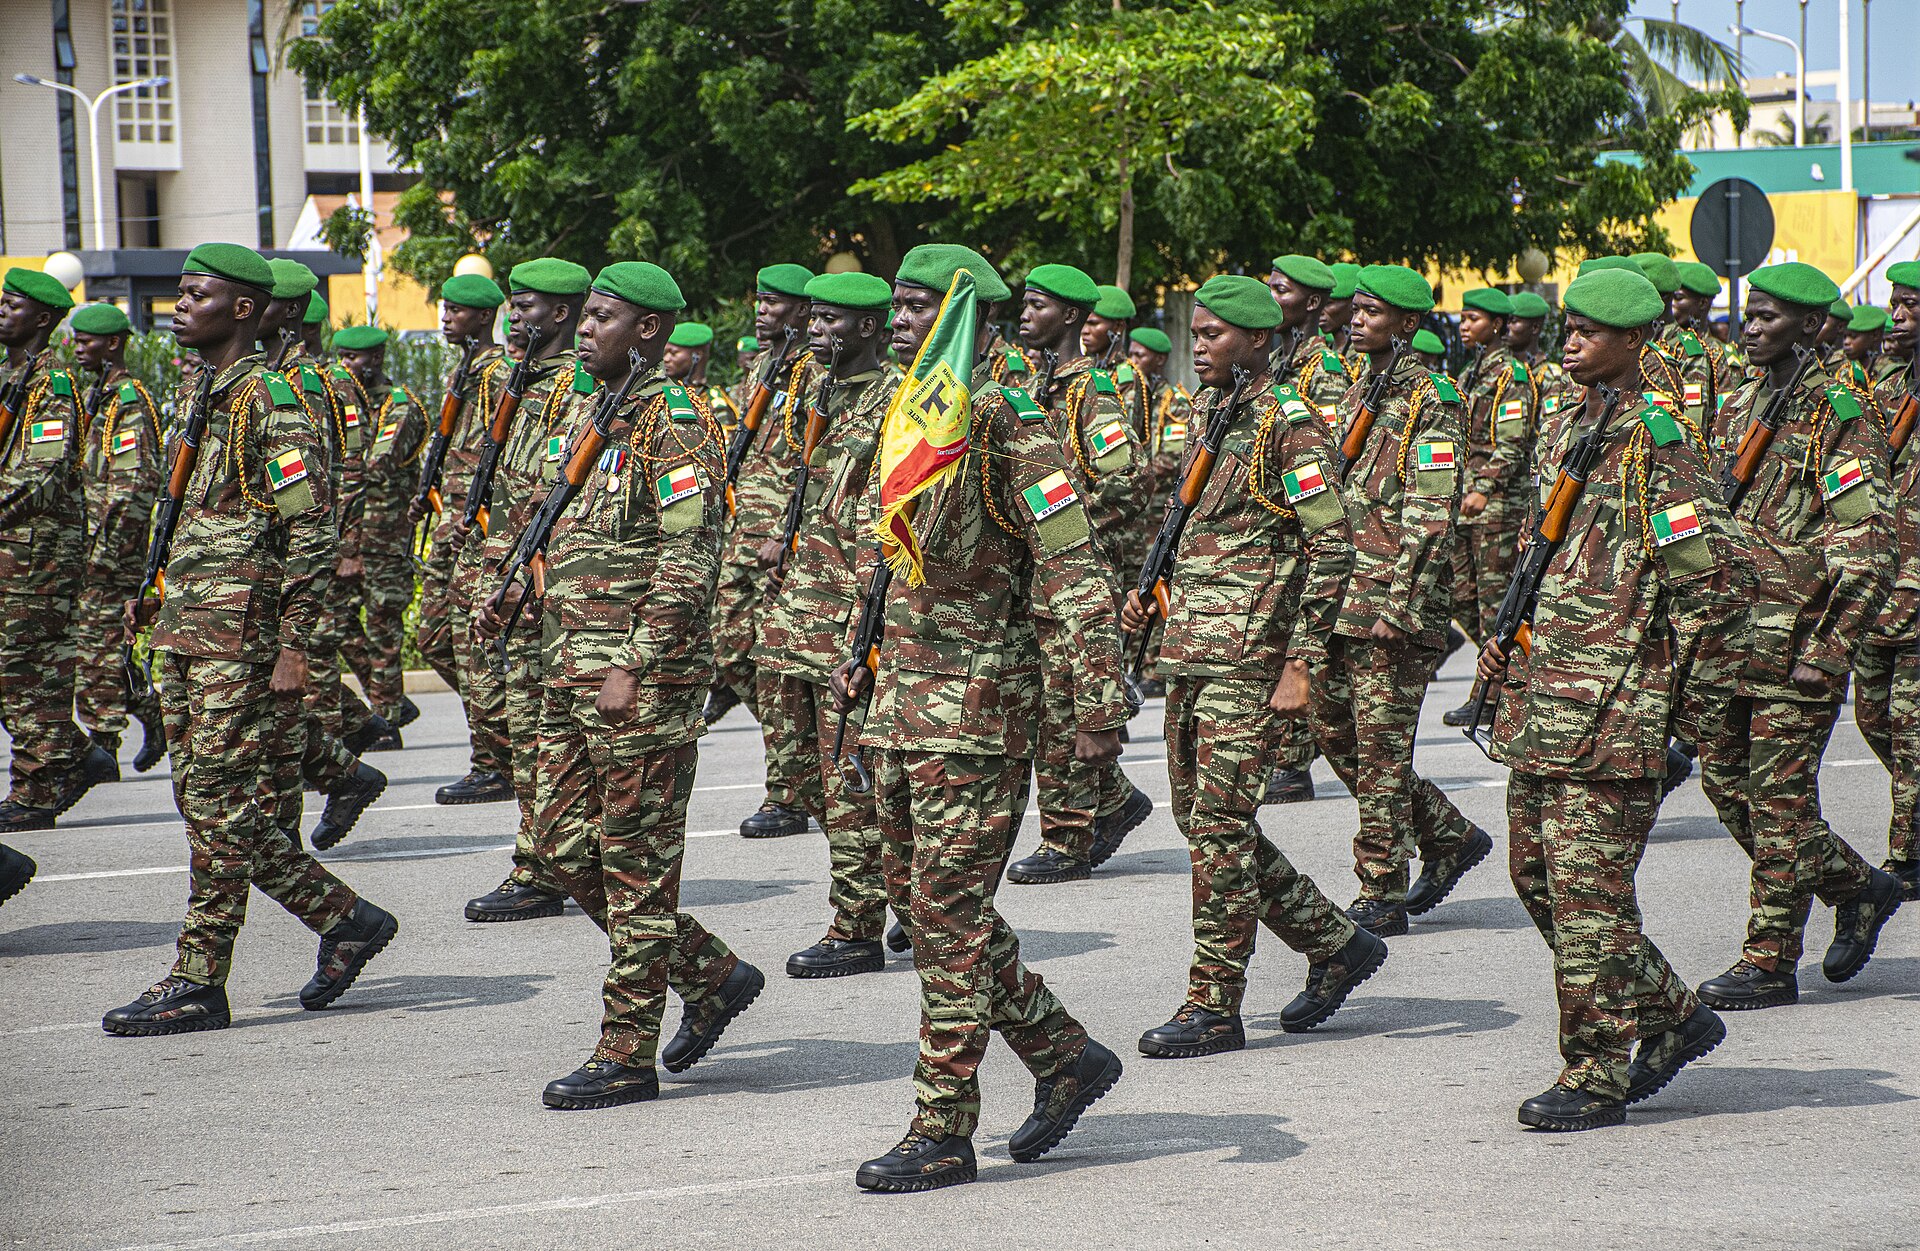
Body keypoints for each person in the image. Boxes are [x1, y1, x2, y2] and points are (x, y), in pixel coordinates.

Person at [832, 244, 1125, 1193]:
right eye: (900, 306)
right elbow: (886, 554)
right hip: (902, 702)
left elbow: (1074, 563)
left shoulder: (1007, 417)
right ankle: (1064, 1050)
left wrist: (1097, 702)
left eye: (922, 308)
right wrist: (854, 653)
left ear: (971, 320)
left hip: (979, 711)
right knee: (924, 907)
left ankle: (942, 1126)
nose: (904, 321)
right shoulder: (914, 409)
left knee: (949, 914)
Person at [477, 260, 764, 1109]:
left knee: (637, 867)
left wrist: (634, 659)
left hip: (640, 682)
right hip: (569, 664)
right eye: (588, 315)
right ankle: (709, 972)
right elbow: (559, 518)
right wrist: (516, 584)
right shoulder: (584, 408)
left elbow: (690, 553)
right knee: (564, 850)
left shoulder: (675, 422)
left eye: (603, 317)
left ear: (647, 331)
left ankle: (626, 1051)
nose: (586, 329)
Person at [106, 243, 396, 1035]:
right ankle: (342, 918)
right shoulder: (206, 393)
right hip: (190, 629)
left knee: (219, 806)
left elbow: (310, 526)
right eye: (180, 293)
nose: (179, 306)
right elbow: (192, 517)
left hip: (244, 638)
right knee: (203, 802)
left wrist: (297, 644)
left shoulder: (270, 400)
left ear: (240, 309)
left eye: (196, 295)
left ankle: (202, 974)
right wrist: (150, 592)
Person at [1479, 266, 1738, 1132]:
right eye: (1570, 327)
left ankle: (1594, 1069)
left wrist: (1676, 710)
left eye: (1592, 329)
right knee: (1534, 876)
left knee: (1591, 895)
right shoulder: (1572, 425)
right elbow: (1541, 555)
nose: (1573, 339)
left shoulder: (1660, 438)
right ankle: (1669, 1008)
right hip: (1542, 691)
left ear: (1635, 341)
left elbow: (1706, 585)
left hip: (1614, 703)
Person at [1124, 274, 1386, 1059]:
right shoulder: (1212, 411)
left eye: (1212, 335)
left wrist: (1302, 661)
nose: (1197, 346)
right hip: (1193, 648)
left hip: (1250, 654)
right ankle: (1334, 942)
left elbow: (1333, 544)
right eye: (1194, 334)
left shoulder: (1289, 424)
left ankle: (1214, 999)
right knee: (1200, 820)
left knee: (1219, 829)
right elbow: (1199, 528)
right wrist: (1151, 595)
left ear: (1259, 340)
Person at [1692, 261, 1906, 1011]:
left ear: (1814, 327)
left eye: (1771, 317)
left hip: (1798, 639)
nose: (1751, 326)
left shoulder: (1839, 412)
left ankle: (1769, 958)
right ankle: (1857, 885)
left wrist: (1832, 644)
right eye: (1749, 313)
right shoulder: (1738, 402)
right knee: (1726, 786)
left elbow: (1871, 544)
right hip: (1728, 635)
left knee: (1778, 798)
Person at [1310, 264, 1490, 937]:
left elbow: (1431, 510)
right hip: (1343, 595)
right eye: (1355, 309)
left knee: (1380, 749)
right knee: (1335, 733)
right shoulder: (1360, 386)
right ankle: (1447, 833)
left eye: (1372, 312)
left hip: (1392, 602)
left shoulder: (1432, 398)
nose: (1357, 319)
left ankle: (1380, 885)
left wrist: (1402, 606)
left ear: (1407, 324)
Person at [749, 271, 901, 978]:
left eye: (833, 320)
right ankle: (901, 891)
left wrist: (873, 618)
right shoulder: (813, 390)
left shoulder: (897, 400)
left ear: (869, 327)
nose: (816, 329)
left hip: (853, 611)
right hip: (799, 609)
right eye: (813, 318)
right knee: (808, 776)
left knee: (849, 777)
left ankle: (857, 922)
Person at [1004, 262, 1152, 885]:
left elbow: (1127, 479)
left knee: (1065, 703)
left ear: (1070, 316)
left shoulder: (1093, 391)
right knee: (1044, 700)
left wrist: (1064, 525)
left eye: (1038, 305)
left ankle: (1068, 838)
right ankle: (1114, 799)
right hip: (1037, 571)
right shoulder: (1037, 384)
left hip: (1075, 569)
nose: (1025, 315)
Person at [460, 258, 594, 923]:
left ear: (562, 314)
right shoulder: (523, 380)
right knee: (521, 726)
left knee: (545, 731)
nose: (514, 315)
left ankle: (541, 867)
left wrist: (524, 576)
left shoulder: (573, 387)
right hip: (512, 578)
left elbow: (556, 494)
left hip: (545, 587)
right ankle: (551, 855)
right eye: (512, 304)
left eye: (529, 305)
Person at [0, 268, 114, 835]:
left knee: (29, 672)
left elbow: (41, 475)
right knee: (16, 674)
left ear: (42, 319)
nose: (1, 310)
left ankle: (36, 790)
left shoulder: (53, 386)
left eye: (13, 304)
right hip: (9, 552)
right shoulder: (5, 376)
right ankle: (75, 751)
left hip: (36, 555)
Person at [715, 264, 819, 841]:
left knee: (780, 667)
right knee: (732, 652)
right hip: (741, 532)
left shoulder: (814, 372)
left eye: (774, 302)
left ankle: (788, 791)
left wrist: (793, 533)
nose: (762, 310)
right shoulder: (763, 364)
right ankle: (801, 766)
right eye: (759, 299)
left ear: (802, 311)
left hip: (784, 539)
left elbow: (813, 462)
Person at [413, 272, 516, 806]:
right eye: (444, 308)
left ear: (483, 317)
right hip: (451, 525)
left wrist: (482, 513)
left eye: (456, 310)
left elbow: (506, 454)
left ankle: (495, 759)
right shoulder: (467, 371)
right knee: (434, 638)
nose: (446, 316)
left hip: (479, 530)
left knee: (476, 648)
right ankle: (504, 739)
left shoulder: (498, 375)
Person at [68, 303, 165, 773]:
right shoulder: (99, 397)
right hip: (91, 548)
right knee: (97, 647)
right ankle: (150, 712)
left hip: (112, 553)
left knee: (98, 646)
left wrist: (103, 557)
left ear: (113, 343)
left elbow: (135, 487)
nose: (78, 348)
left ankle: (103, 743)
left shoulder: (128, 400)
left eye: (87, 341)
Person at [1442, 288, 1536, 729]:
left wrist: (1483, 487)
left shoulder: (1511, 376)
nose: (1464, 324)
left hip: (1496, 505)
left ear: (1497, 325)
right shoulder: (1473, 371)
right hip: (1465, 502)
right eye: (1463, 317)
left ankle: (1493, 692)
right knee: (1461, 595)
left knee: (1492, 602)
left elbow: (1512, 442)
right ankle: (1500, 679)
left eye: (1474, 318)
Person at [1856, 260, 1920, 902]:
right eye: (1894, 304)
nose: (1896, 317)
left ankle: (1908, 856)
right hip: (1882, 582)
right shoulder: (1888, 385)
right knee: (1873, 715)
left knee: (1909, 723)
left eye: (1911, 307)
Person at [332, 326, 427, 732]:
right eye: (342, 357)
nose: (345, 366)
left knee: (382, 629)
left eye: (353, 358)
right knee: (334, 623)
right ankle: (387, 700)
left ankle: (386, 721)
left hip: (385, 539)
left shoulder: (399, 406)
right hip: (351, 537)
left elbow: (376, 463)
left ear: (374, 360)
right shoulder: (348, 407)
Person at [1842, 305, 1888, 388]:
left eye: (1853, 336)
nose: (1846, 342)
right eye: (1845, 336)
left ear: (1875, 335)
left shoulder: (1890, 372)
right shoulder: (1845, 368)